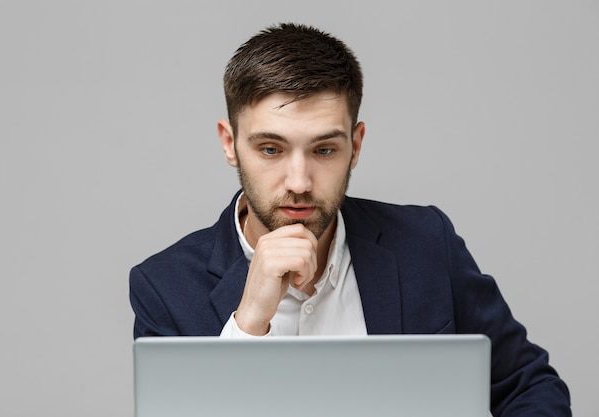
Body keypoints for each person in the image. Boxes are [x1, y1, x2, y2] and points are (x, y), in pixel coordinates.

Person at [129, 23, 571, 416]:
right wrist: (248, 323)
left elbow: (528, 387)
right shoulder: (163, 287)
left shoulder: (427, 244)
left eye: (324, 149)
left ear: (355, 146)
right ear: (230, 143)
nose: (299, 181)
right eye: (270, 149)